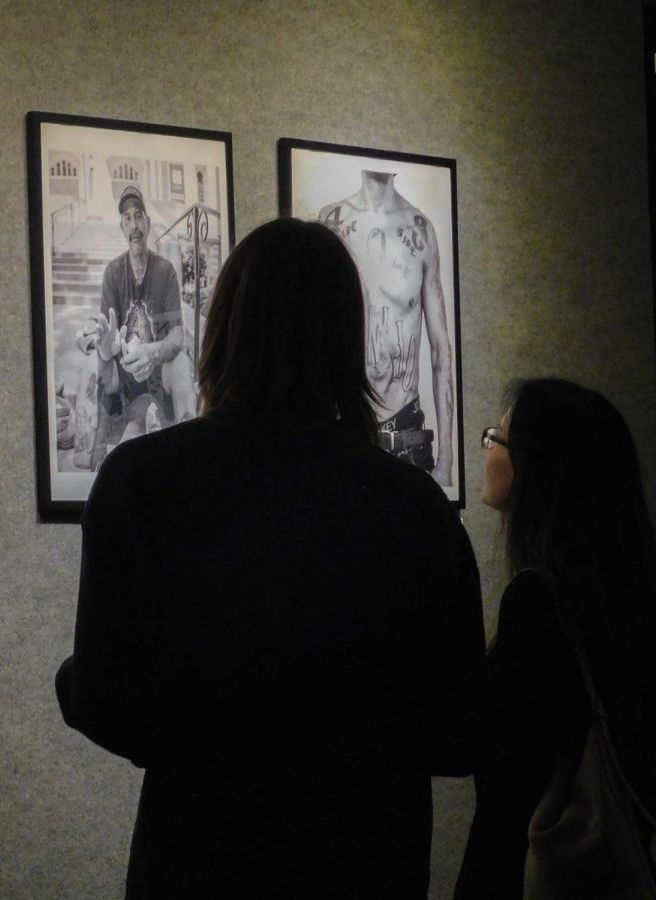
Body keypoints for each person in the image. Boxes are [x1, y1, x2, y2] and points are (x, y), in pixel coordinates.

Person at [55, 217, 485, 898]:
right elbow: (458, 733)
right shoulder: (417, 511)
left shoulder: (141, 481)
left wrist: (77, 682)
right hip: (366, 865)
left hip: (199, 865)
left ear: (226, 326)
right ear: (347, 336)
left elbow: (109, 702)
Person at [454, 378, 656, 898]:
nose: (487, 451)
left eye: (496, 439)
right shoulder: (626, 598)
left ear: (538, 467)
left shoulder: (537, 602)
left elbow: (507, 805)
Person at [318, 170, 455, 485]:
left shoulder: (420, 230)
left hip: (406, 433)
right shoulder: (331, 221)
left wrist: (446, 461)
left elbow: (440, 349)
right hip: (342, 426)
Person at [72, 185, 196, 469]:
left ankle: (192, 462)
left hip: (158, 374)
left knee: (180, 362)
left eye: (138, 216)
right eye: (127, 219)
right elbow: (107, 334)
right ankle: (89, 462)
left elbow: (177, 334)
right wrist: (105, 347)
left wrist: (155, 351)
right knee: (94, 362)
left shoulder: (164, 271)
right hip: (123, 376)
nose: (134, 225)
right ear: (121, 228)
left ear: (148, 223)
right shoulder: (114, 273)